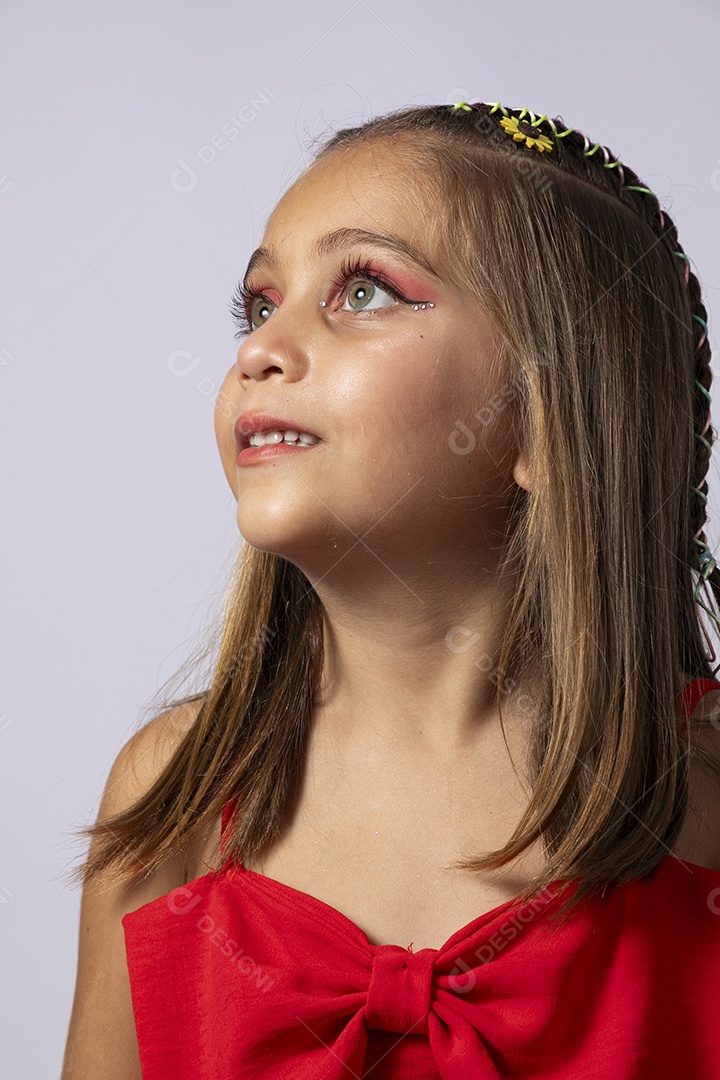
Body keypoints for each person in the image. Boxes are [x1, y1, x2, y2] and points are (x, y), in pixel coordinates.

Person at [61, 100, 720, 1079]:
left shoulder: (706, 793)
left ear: (547, 416)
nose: (260, 350)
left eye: (363, 291)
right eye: (259, 303)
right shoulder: (171, 795)